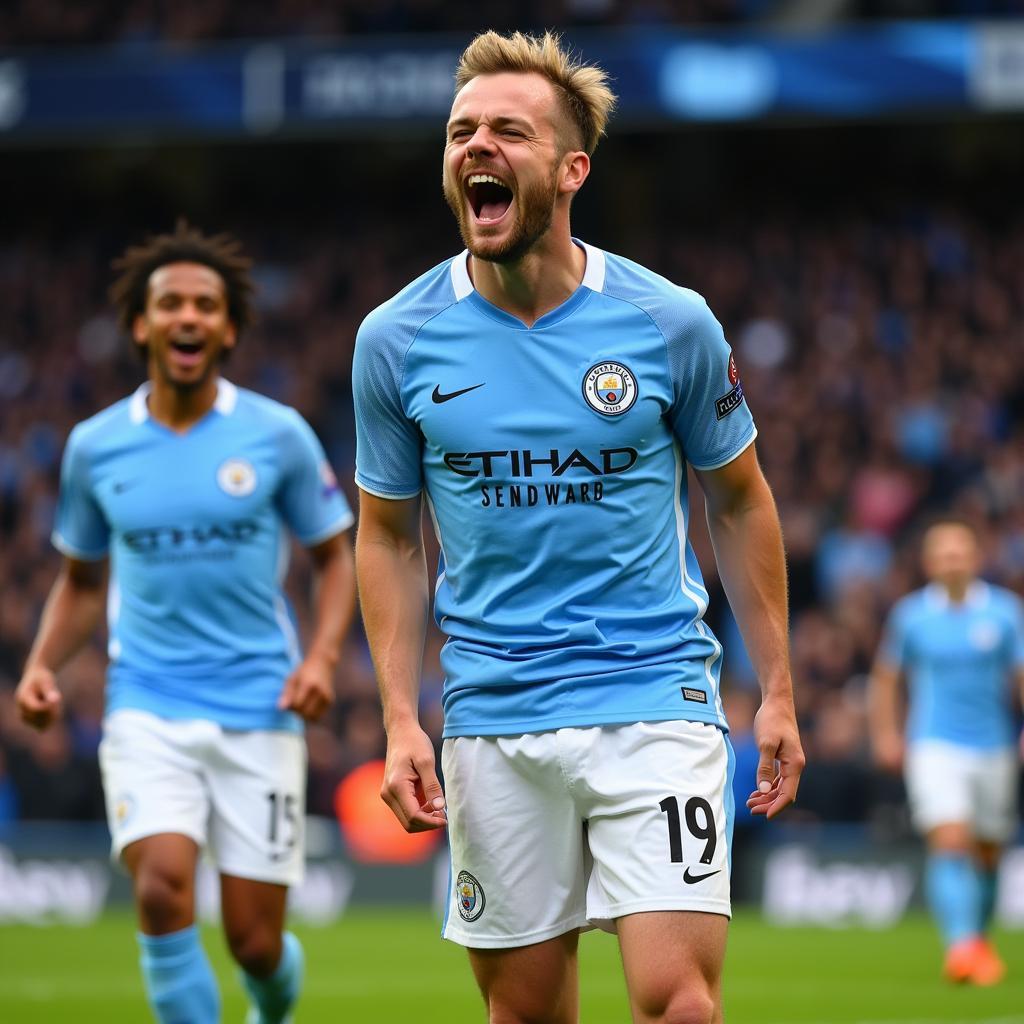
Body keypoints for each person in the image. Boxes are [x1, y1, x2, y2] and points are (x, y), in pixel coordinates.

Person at [352, 30, 803, 1024]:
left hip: (655, 698)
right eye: (460, 129)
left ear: (571, 168)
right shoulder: (395, 340)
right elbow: (385, 536)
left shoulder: (668, 321)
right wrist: (396, 717)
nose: (477, 146)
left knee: (676, 1001)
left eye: (508, 130)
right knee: (523, 1014)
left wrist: (774, 690)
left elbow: (737, 498)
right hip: (490, 717)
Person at [15, 222, 356, 1024]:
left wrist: (321, 659)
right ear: (141, 324)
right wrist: (40, 666)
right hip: (148, 705)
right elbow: (81, 582)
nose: (188, 317)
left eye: (206, 304)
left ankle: (270, 1007)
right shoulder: (96, 449)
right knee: (163, 889)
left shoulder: (276, 435)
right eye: (170, 303)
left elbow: (335, 558)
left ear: (229, 327)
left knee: (254, 944)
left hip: (260, 709)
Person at [869, 518, 1024, 986]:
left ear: (975, 558)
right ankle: (961, 947)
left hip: (993, 745)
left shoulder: (1004, 613)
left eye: (959, 553)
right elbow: (887, 679)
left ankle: (976, 939)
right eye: (942, 554)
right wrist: (887, 734)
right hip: (934, 745)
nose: (951, 561)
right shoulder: (911, 616)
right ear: (929, 562)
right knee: (950, 839)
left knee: (988, 851)